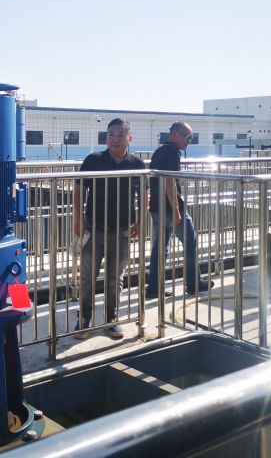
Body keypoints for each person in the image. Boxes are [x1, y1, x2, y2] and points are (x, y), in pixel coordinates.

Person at [73, 118, 145, 340]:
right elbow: (78, 189)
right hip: (94, 227)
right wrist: (78, 219)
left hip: (123, 230)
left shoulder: (137, 164)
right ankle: (84, 318)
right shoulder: (93, 160)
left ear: (129, 138)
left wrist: (140, 221)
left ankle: (111, 319)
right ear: (106, 138)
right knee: (87, 276)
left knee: (115, 278)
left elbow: (144, 194)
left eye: (120, 135)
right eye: (111, 135)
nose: (115, 139)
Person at [145, 121, 214, 298]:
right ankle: (193, 283)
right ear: (174, 134)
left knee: (159, 248)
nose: (188, 141)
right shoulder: (172, 152)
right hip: (170, 208)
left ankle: (154, 287)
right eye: (187, 137)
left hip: (157, 207)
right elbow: (169, 181)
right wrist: (176, 210)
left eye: (191, 138)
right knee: (190, 242)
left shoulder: (160, 151)